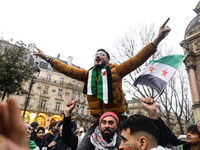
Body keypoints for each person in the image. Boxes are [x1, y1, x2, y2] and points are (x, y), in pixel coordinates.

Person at [34, 18, 171, 119]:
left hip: (117, 118)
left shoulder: (117, 71)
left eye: (101, 55)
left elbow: (137, 60)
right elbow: (66, 70)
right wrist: (47, 58)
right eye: (96, 55)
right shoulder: (88, 74)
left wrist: (157, 39)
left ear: (108, 60)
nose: (98, 56)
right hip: (97, 119)